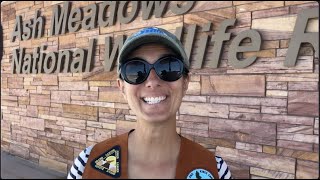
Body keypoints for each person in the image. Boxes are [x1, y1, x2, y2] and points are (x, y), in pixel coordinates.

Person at [67, 27, 232, 179]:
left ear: (185, 82)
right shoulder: (87, 165)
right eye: (135, 69)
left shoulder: (215, 170)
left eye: (168, 66)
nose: (152, 81)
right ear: (122, 87)